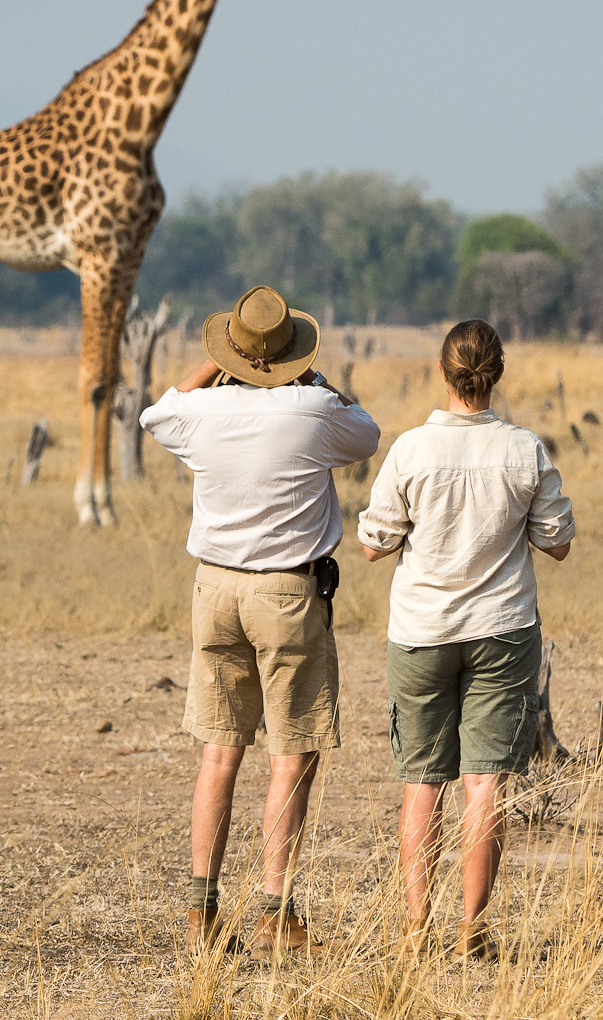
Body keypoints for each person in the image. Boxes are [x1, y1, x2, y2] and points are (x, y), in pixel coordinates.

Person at [140, 284, 381, 961]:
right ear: (292, 356)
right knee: (292, 753)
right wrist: (316, 379)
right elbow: (366, 430)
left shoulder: (204, 410)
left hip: (213, 589)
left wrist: (208, 370)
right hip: (287, 593)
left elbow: (158, 414)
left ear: (232, 354)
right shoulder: (313, 407)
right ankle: (276, 911)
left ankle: (201, 910)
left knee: (220, 753)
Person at [357, 319, 574, 960]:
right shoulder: (525, 449)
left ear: (444, 373)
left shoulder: (410, 449)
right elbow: (557, 542)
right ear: (496, 373)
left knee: (423, 783)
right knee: (487, 783)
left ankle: (416, 930)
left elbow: (373, 543)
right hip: (503, 629)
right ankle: (472, 931)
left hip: (422, 631)